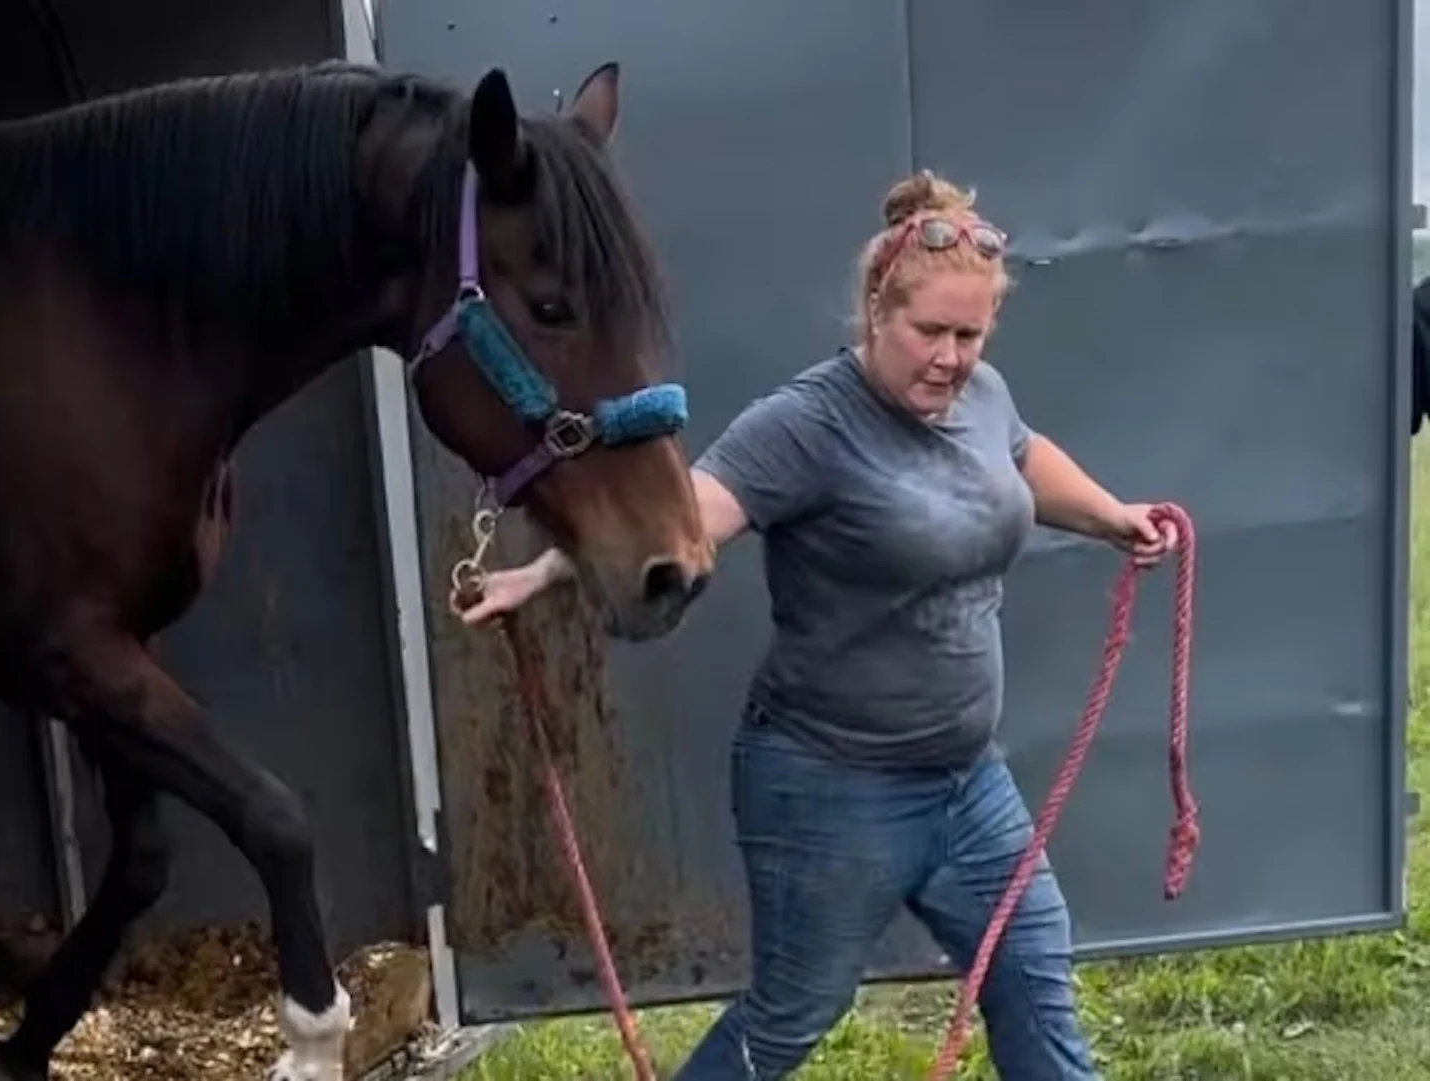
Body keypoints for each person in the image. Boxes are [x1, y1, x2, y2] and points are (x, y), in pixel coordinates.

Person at [456, 169, 1180, 1080]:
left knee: (1033, 969)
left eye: (970, 334)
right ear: (877, 310)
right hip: (830, 784)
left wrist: (1113, 516)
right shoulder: (805, 424)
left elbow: (1024, 457)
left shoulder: (981, 394)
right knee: (794, 1009)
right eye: (930, 333)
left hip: (966, 779)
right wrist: (548, 572)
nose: (951, 358)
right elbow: (695, 513)